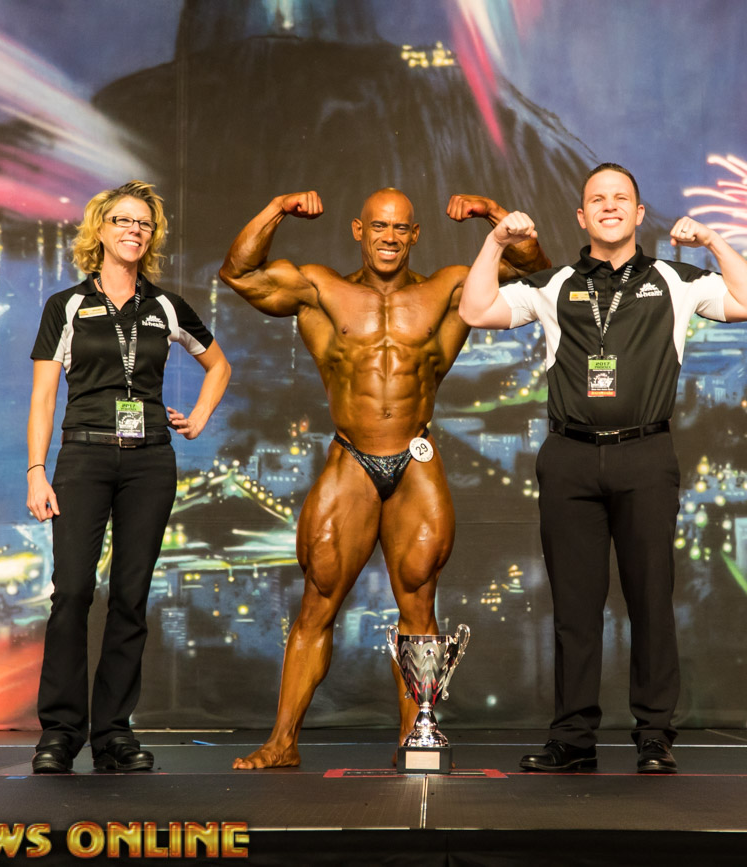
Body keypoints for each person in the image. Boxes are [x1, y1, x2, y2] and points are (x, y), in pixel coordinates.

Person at [219, 188, 547, 768]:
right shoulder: (321, 289)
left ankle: (414, 743)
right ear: (359, 230)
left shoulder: (448, 289)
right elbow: (239, 273)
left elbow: (536, 276)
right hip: (351, 458)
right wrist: (276, 208)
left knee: (420, 603)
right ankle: (282, 743)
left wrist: (495, 215)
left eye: (400, 228)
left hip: (415, 458)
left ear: (415, 235)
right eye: (379, 226)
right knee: (318, 600)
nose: (390, 237)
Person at [459, 163, 747, 774]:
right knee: (575, 607)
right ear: (582, 217)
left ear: (638, 213)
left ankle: (654, 736)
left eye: (620, 198)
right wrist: (495, 242)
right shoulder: (554, 283)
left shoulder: (674, 279)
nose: (609, 206)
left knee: (650, 600)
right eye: (597, 199)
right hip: (569, 457)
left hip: (645, 455)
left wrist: (711, 240)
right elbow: (477, 310)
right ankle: (573, 739)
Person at [26, 181, 231, 774]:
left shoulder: (165, 306)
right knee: (71, 592)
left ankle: (114, 732)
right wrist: (37, 470)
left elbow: (218, 365)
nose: (133, 230)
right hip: (83, 458)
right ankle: (61, 731)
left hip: (149, 461)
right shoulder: (66, 305)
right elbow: (43, 397)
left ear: (151, 236)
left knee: (130, 596)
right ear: (100, 229)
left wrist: (200, 416)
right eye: (122, 220)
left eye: (143, 223)